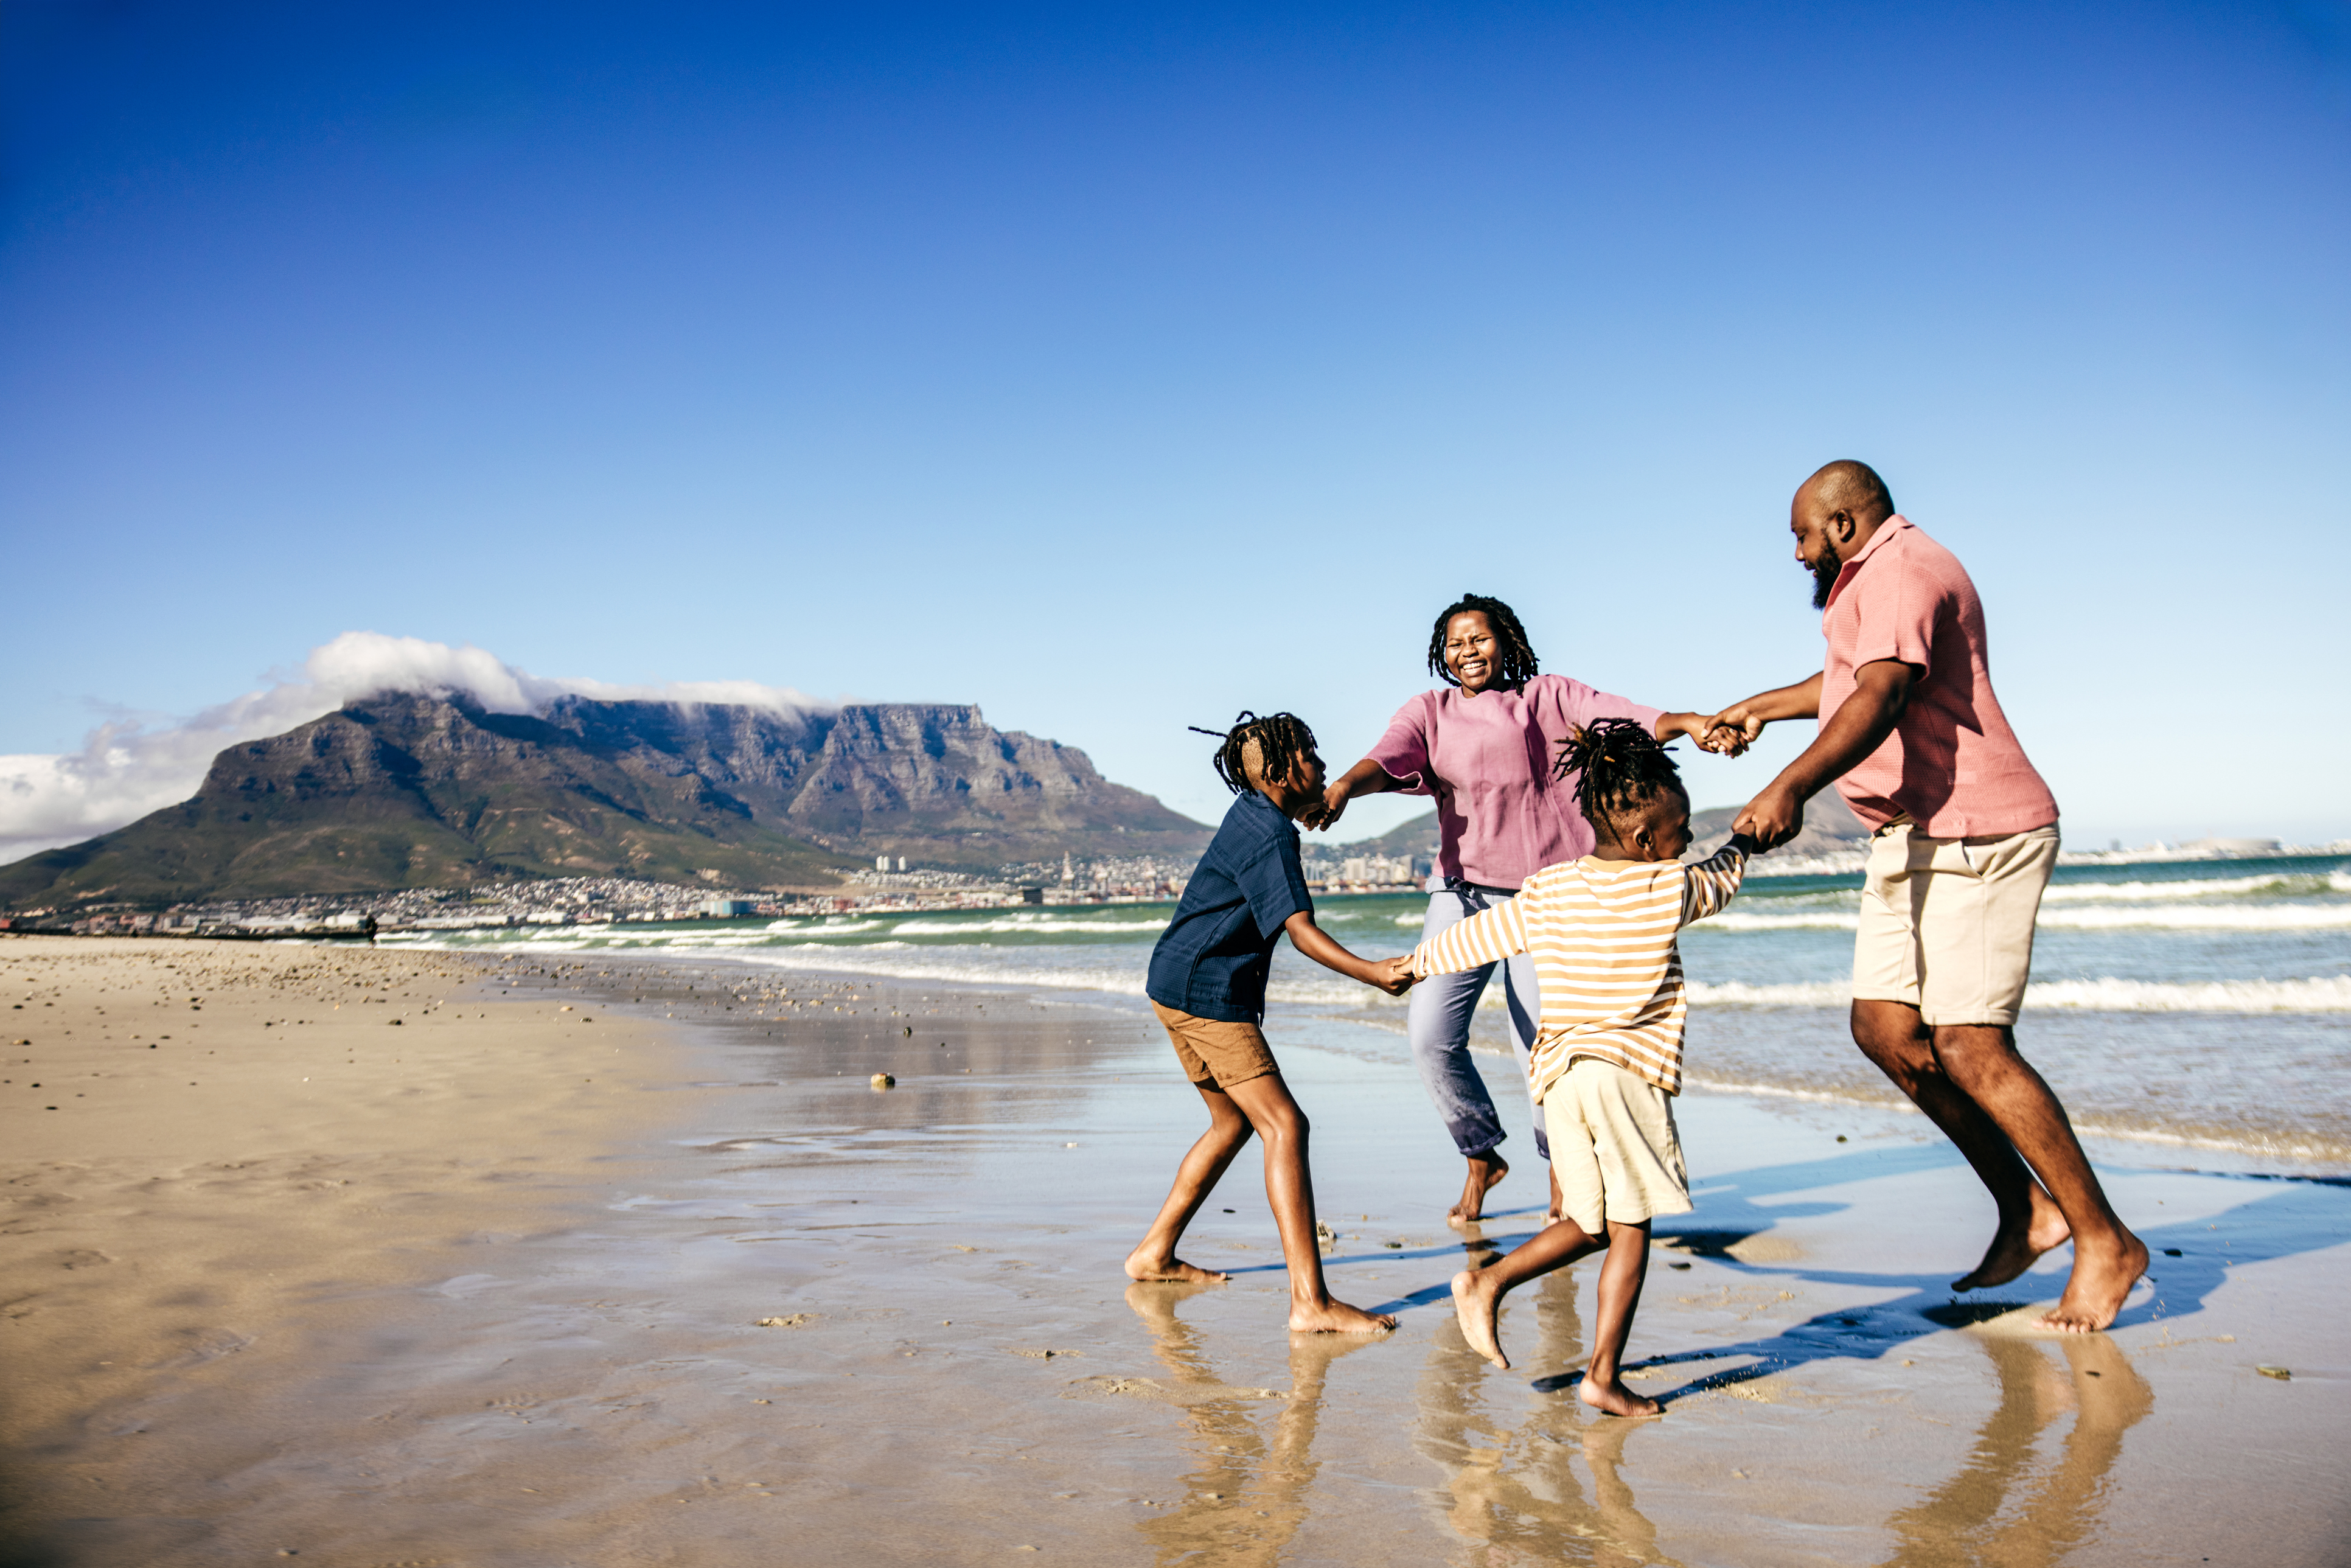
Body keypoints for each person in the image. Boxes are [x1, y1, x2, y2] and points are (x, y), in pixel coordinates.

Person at [1708, 459, 2147, 1333]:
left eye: (1801, 535)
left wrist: (1790, 786)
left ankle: (2105, 1239)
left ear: (1842, 524)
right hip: (1912, 833)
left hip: (1980, 828)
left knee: (1972, 1044)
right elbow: (1842, 682)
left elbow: (1883, 690)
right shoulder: (1868, 582)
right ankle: (2029, 1211)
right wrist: (1757, 707)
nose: (1796, 554)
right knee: (1885, 1029)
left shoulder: (1904, 568)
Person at [1312, 593, 1735, 1226]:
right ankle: (1481, 1152)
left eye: (1479, 639)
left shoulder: (1549, 698)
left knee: (1541, 1049)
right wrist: (1344, 785)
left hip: (1548, 898)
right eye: (1455, 644)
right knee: (1430, 1038)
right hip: (1462, 893)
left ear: (1505, 641)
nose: (1467, 652)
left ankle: (1562, 1176)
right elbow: (1390, 756)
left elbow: (1627, 716)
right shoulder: (1431, 711)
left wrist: (1692, 722)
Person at [1403, 719, 1755, 1415]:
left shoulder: (1549, 890)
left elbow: (1478, 936)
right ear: (1647, 840)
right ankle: (1592, 1368)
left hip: (1560, 1077)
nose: (1686, 841)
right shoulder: (1664, 888)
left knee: (1590, 1224)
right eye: (1681, 829)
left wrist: (1409, 965)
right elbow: (1720, 881)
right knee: (1633, 1228)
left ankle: (1495, 1287)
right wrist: (1746, 840)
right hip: (1624, 1078)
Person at [1125, 711, 1409, 1334]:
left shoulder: (1256, 815)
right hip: (1205, 993)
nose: (1323, 764)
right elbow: (1301, 933)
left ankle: (1153, 1253)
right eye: (1311, 753)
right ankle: (1310, 1303)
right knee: (1286, 1124)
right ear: (1282, 773)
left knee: (1231, 1123)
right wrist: (1375, 972)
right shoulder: (1270, 834)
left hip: (1172, 981)